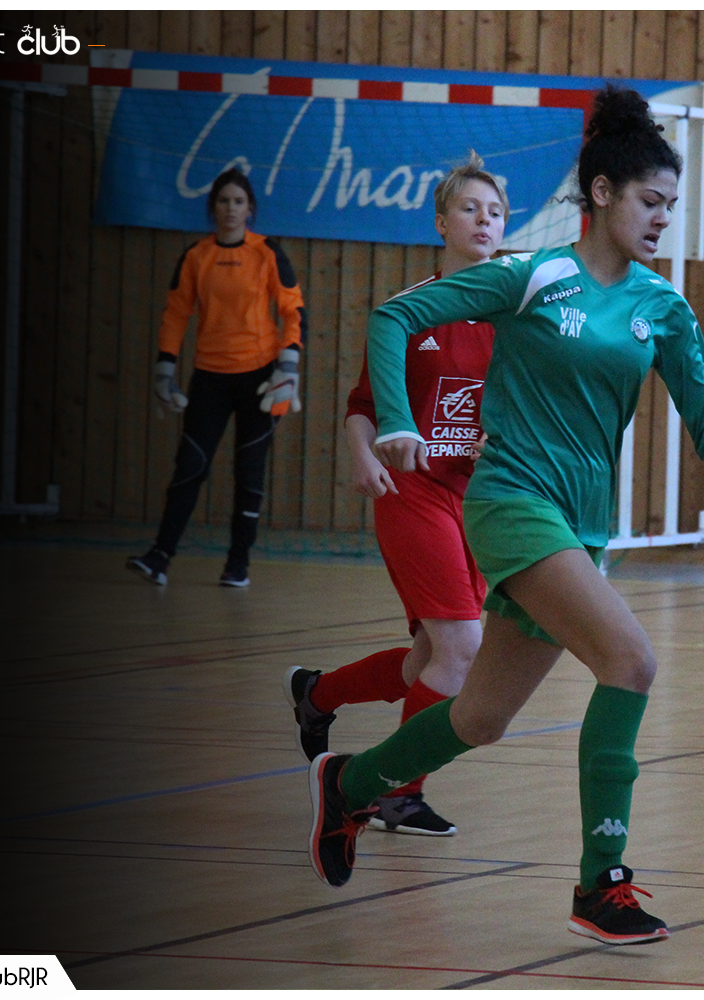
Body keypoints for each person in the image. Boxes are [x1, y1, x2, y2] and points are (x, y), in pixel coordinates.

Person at [305, 85, 704, 946]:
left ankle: (349, 785)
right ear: (602, 192)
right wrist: (397, 422)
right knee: (631, 662)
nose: (662, 218)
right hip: (512, 502)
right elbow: (393, 317)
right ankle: (602, 885)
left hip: (580, 526)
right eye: (650, 200)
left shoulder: (661, 307)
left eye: (671, 205)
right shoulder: (532, 276)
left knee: (479, 719)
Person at [284, 152, 506, 838]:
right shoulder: (408, 312)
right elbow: (363, 406)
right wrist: (362, 455)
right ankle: (395, 793)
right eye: (469, 208)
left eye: (496, 211)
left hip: (478, 502)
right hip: (412, 492)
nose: (484, 220)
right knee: (462, 648)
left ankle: (317, 693)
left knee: (428, 662)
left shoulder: (514, 315)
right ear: (441, 221)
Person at [126, 168, 306, 589]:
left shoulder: (267, 252)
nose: (230, 208)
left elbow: (293, 309)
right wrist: (165, 369)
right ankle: (159, 557)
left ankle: (237, 566)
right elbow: (175, 313)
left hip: (261, 380)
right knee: (190, 466)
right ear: (212, 208)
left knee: (249, 472)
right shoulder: (196, 256)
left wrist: (288, 367)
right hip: (209, 377)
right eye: (223, 201)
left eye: (238, 201)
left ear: (250, 209)